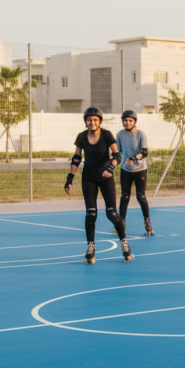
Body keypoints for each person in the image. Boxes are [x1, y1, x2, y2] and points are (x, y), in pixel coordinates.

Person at [65, 106, 133, 264]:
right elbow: (76, 158)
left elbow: (117, 154)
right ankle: (90, 247)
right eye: (89, 120)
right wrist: (70, 178)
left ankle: (124, 243)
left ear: (100, 121)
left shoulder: (107, 135)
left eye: (95, 120)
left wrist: (111, 167)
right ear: (86, 122)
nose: (92, 122)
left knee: (111, 213)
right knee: (91, 214)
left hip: (105, 177)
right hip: (88, 178)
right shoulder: (82, 137)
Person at [116, 110, 154, 236]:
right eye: (125, 120)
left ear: (134, 122)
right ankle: (121, 223)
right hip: (125, 169)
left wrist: (134, 158)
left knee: (141, 196)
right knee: (125, 197)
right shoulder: (120, 134)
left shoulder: (141, 134)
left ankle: (147, 222)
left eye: (130, 120)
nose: (127, 123)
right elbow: (118, 152)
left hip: (140, 169)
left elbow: (145, 152)